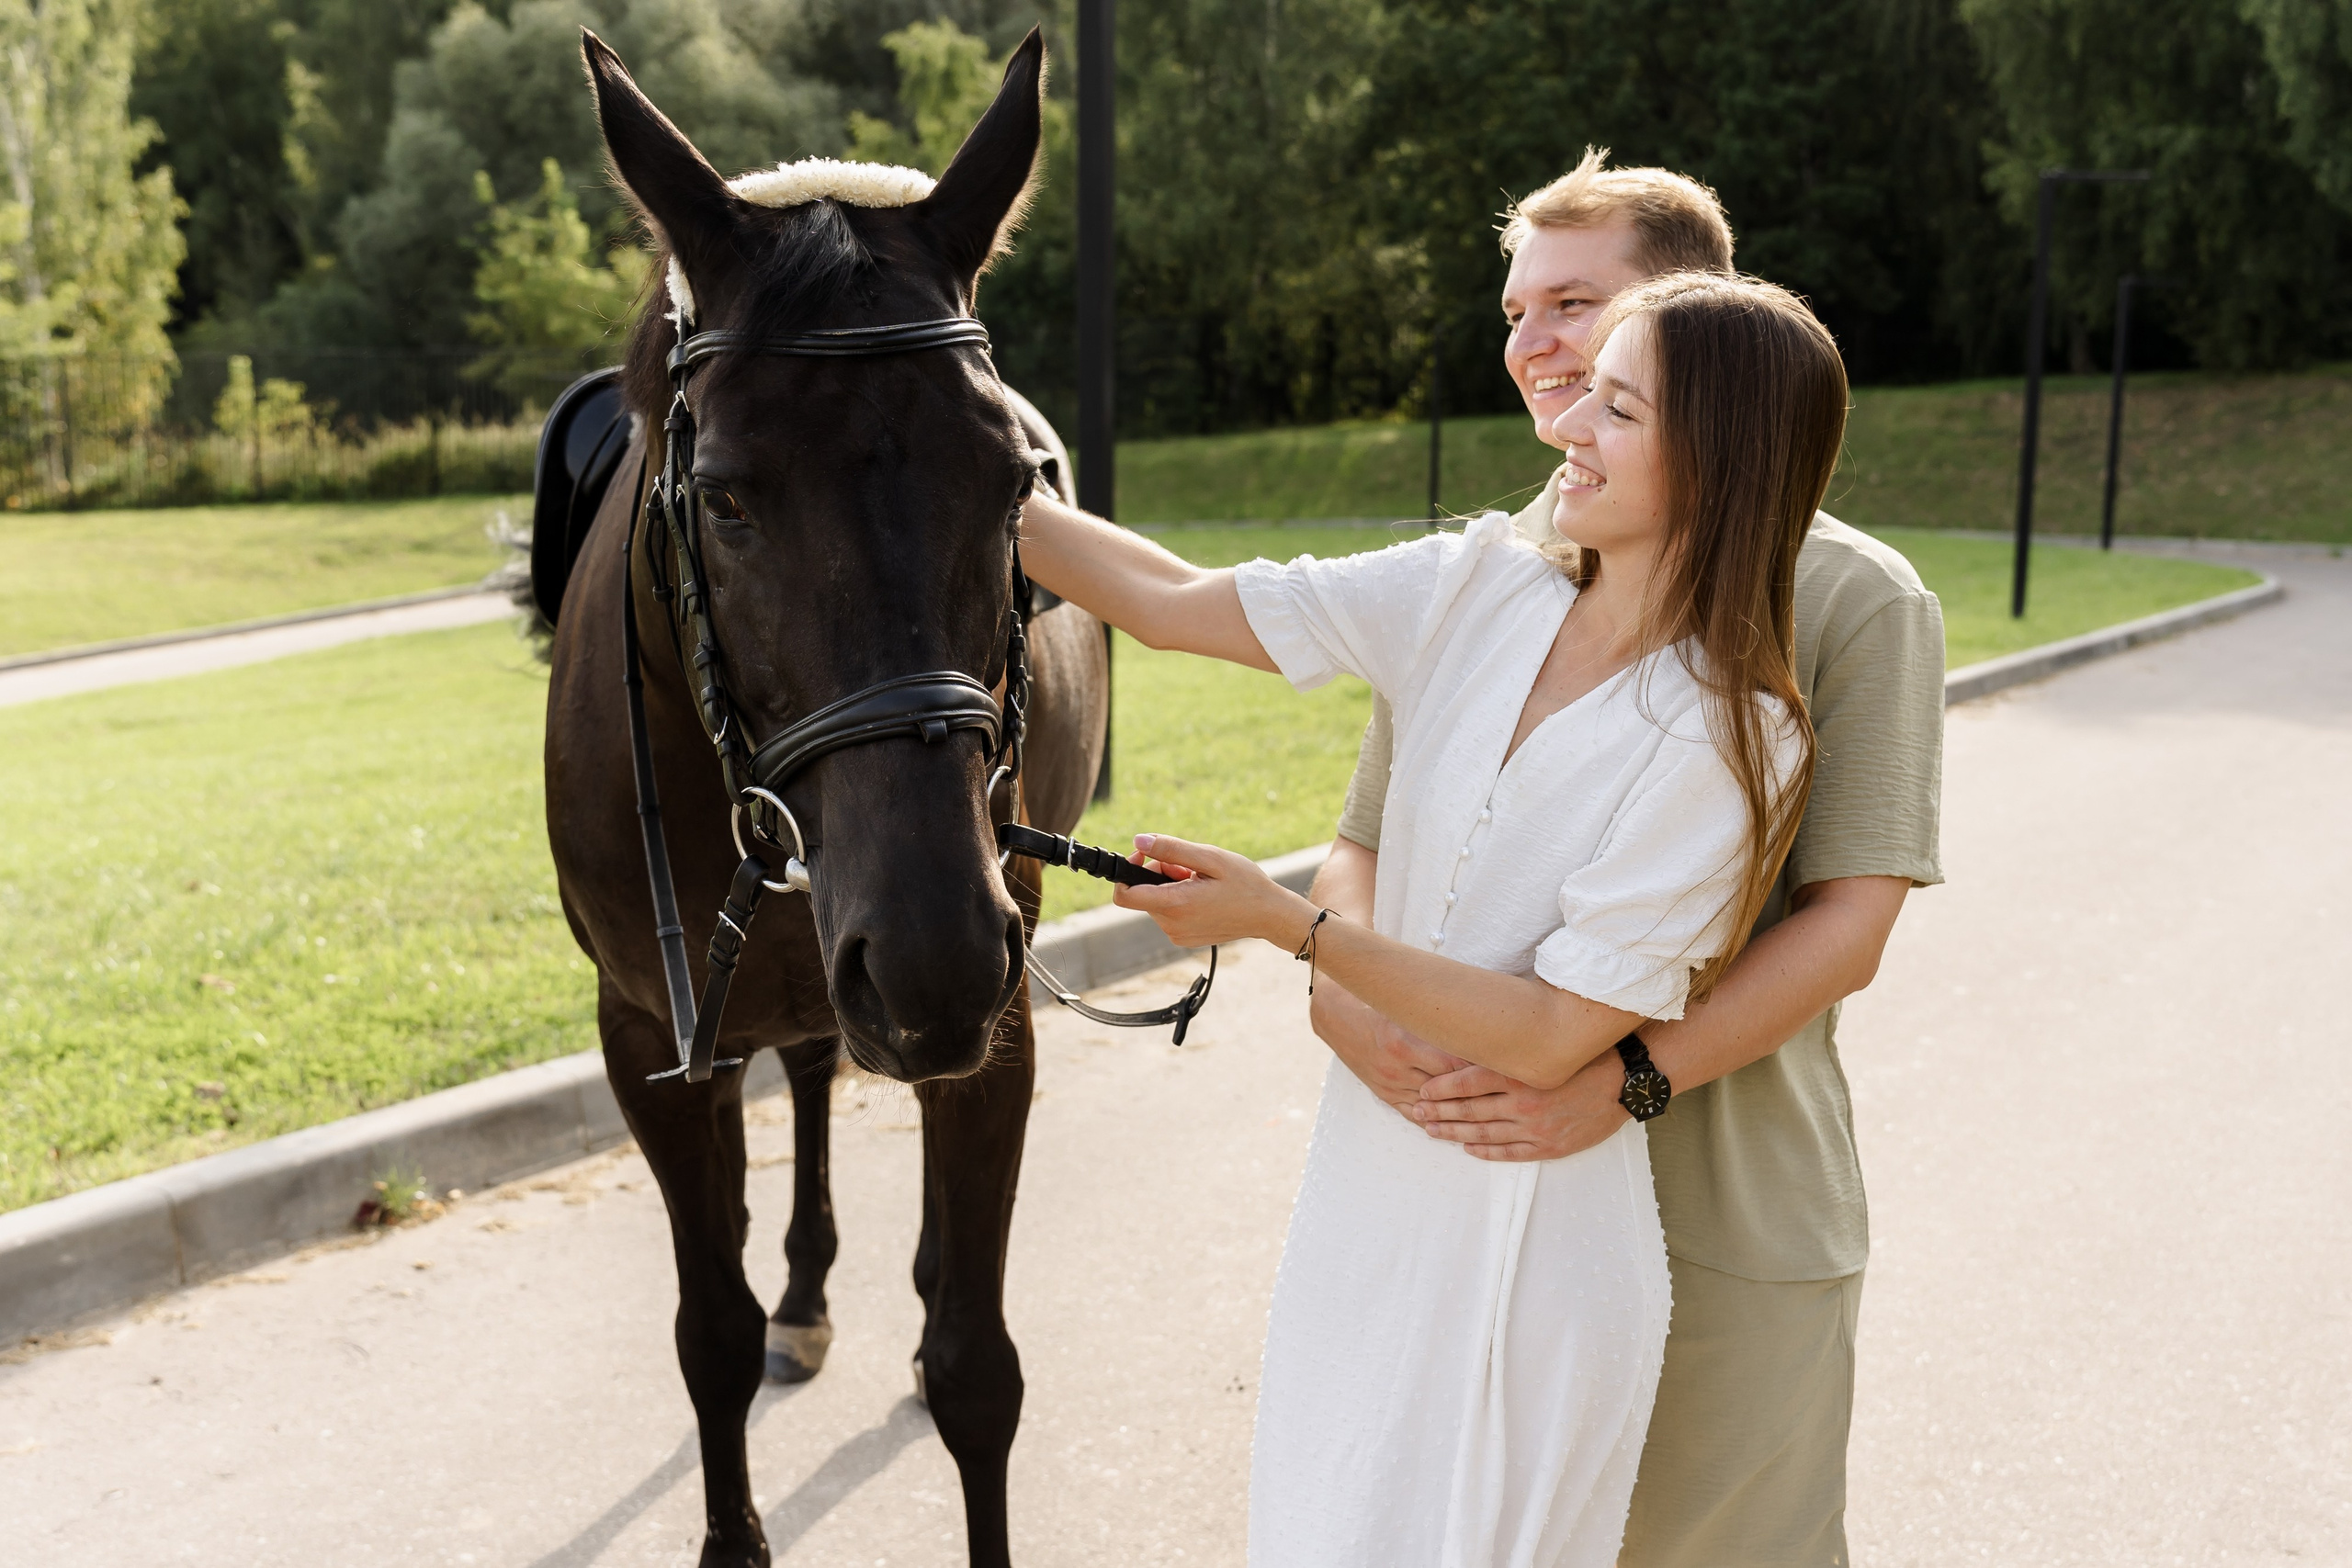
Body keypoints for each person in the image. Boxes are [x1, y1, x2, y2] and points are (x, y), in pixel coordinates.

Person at [1018, 271, 1848, 1566]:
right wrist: (937, 452)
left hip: (1536, 1254)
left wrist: (1288, 928)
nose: (1567, 427)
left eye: (1616, 409)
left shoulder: (1738, 736)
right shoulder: (1477, 585)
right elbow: (1173, 604)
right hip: (1364, 1206)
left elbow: (1553, 1034)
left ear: (1721, 459)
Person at [1313, 153, 1947, 1567]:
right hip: (1471, 1201)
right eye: (1519, 308)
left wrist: (1627, 1080)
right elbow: (1359, 848)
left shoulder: (1853, 596)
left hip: (1716, 1209)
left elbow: (1848, 924)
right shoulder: (1491, 574)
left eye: (1577, 306)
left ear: (1698, 316)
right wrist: (1343, 995)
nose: (1535, 344)